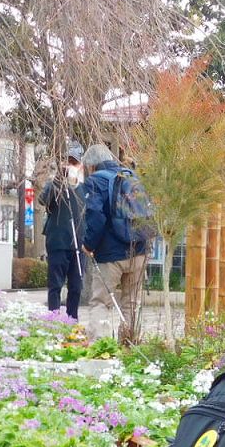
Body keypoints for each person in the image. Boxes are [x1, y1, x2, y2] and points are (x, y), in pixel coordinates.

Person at [80, 143, 149, 342]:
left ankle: (100, 349)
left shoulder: (95, 182)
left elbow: (96, 218)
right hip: (139, 250)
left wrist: (88, 245)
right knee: (131, 303)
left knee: (101, 302)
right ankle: (129, 344)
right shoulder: (132, 176)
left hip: (110, 255)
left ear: (91, 166)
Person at [39, 145, 87, 319]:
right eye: (67, 161)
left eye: (74, 162)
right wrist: (59, 179)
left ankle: (72, 319)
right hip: (58, 241)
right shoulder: (55, 185)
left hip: (78, 243)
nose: (70, 165)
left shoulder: (85, 189)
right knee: (55, 285)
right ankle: (54, 318)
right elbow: (43, 200)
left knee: (76, 285)